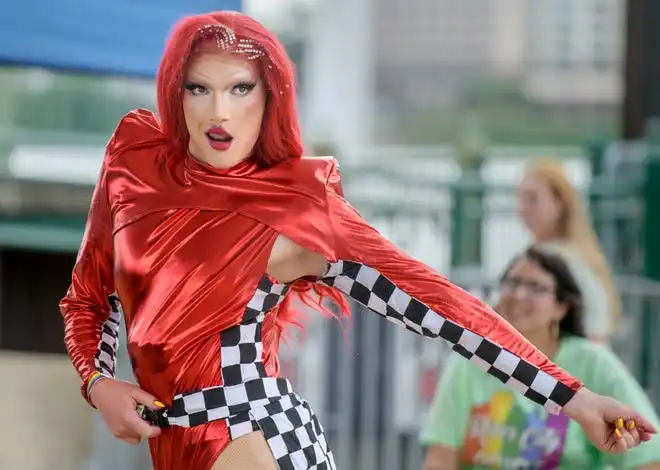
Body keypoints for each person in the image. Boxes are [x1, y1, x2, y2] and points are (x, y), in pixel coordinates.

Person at [59, 11, 654, 470]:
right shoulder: (134, 158)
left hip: (252, 432)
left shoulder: (300, 207)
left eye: (241, 89)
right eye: (199, 88)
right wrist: (96, 382)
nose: (219, 111)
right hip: (173, 442)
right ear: (174, 91)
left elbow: (446, 310)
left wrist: (574, 400)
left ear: (270, 98)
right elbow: (87, 297)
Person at [420, 247, 660, 470]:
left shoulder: (593, 362)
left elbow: (647, 458)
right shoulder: (470, 358)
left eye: (536, 287)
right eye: (511, 283)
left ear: (562, 307)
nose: (519, 294)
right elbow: (440, 456)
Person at [517, 158, 620, 342]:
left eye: (533, 199)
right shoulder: (535, 256)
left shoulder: (567, 261)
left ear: (559, 203)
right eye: (520, 198)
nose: (523, 208)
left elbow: (596, 330)